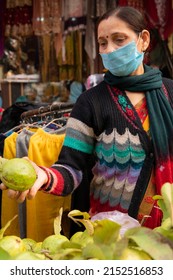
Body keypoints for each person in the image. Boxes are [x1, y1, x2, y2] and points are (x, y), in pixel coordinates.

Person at [1, 6, 173, 230]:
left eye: (119, 40)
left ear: (143, 39)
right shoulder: (91, 102)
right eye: (103, 43)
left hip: (166, 229)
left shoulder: (169, 93)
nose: (110, 50)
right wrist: (43, 176)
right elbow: (72, 169)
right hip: (110, 234)